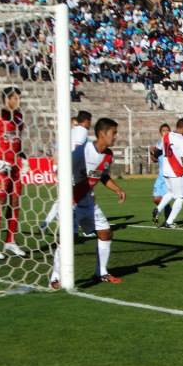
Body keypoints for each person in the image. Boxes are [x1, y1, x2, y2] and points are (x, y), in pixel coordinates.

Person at [50, 118, 127, 287]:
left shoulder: (108, 155)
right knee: (68, 239)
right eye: (113, 133)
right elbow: (64, 169)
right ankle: (55, 277)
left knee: (105, 232)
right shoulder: (82, 151)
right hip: (71, 202)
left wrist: (117, 189)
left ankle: (101, 273)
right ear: (102, 133)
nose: (116, 136)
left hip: (89, 202)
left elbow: (103, 176)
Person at [0, 87, 27, 260]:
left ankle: (10, 241)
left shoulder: (19, 117)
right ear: (7, 99)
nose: (18, 101)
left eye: (19, 98)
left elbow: (17, 142)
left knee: (15, 202)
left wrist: (23, 157)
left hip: (14, 165)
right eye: (15, 98)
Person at [41, 111, 93, 233]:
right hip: (73, 169)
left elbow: (58, 152)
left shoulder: (68, 133)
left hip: (64, 168)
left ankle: (46, 223)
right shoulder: (82, 131)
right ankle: (79, 228)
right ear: (86, 121)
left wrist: (55, 168)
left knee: (64, 198)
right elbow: (77, 151)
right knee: (77, 198)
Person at [153, 118, 183, 228]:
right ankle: (169, 222)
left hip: (166, 171)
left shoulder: (166, 136)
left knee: (170, 193)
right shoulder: (182, 139)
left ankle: (158, 209)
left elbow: (157, 151)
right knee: (180, 197)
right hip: (176, 171)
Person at [149, 123, 171, 223]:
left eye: (167, 130)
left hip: (168, 176)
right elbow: (155, 159)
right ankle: (167, 208)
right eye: (163, 130)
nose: (165, 132)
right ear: (160, 132)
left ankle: (168, 219)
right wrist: (151, 153)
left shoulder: (170, 143)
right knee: (156, 199)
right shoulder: (160, 143)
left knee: (162, 198)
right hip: (160, 176)